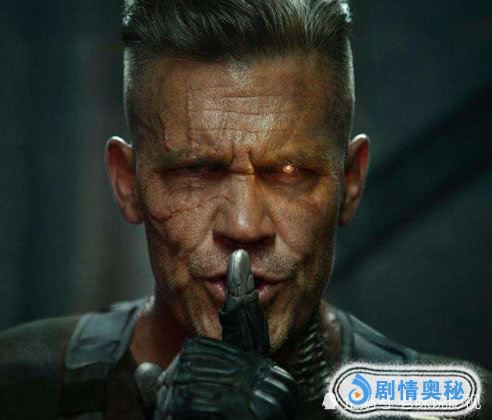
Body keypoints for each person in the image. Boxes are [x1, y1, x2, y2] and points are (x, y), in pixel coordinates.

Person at [0, 1, 490, 419]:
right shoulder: (18, 385)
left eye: (290, 171)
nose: (243, 225)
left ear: (351, 181)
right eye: (196, 170)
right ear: (128, 183)